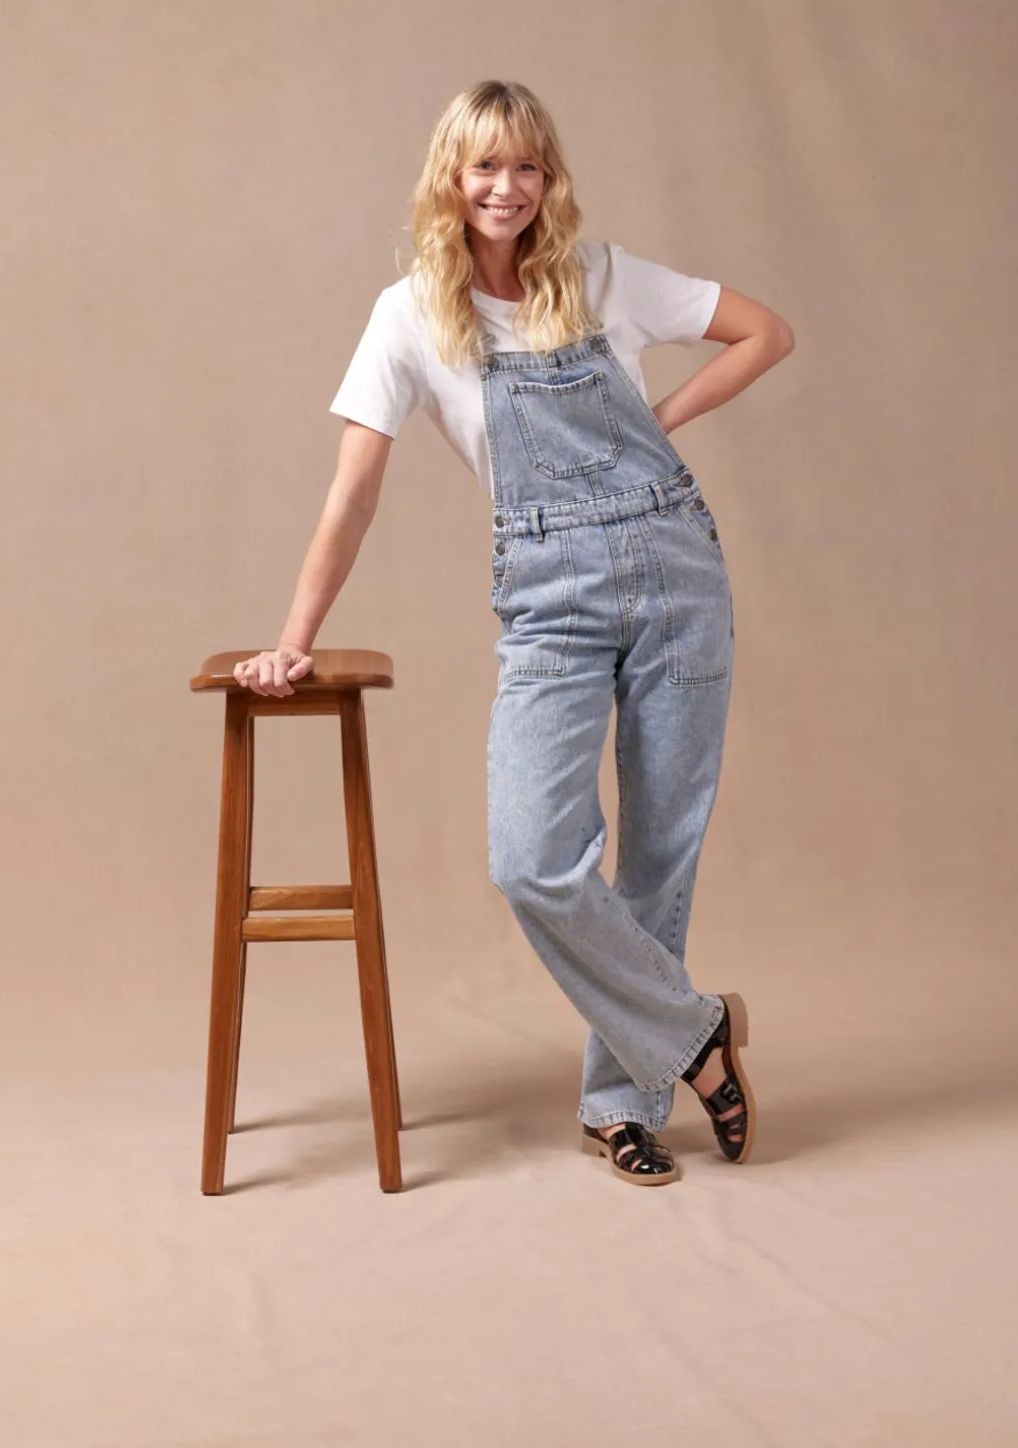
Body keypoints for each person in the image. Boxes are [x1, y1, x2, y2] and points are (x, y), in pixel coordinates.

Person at [233, 80, 794, 1187]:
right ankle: (696, 1034)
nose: (507, 186)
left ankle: (619, 1106)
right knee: (531, 859)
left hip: (676, 572)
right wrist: (295, 634)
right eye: (485, 165)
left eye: (527, 165)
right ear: (452, 176)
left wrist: (658, 423)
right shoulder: (409, 315)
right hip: (551, 602)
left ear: (550, 179)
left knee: (659, 856)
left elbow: (766, 333)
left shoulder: (602, 276)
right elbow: (353, 492)